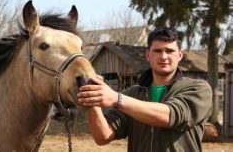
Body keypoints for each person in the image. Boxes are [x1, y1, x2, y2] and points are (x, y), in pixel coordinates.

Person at [77, 27, 212, 152]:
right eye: (157, 51)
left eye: (170, 51)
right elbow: (103, 136)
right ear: (147, 55)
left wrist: (116, 98)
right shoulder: (132, 94)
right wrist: (92, 99)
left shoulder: (198, 89)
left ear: (180, 55)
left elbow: (170, 116)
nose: (163, 57)